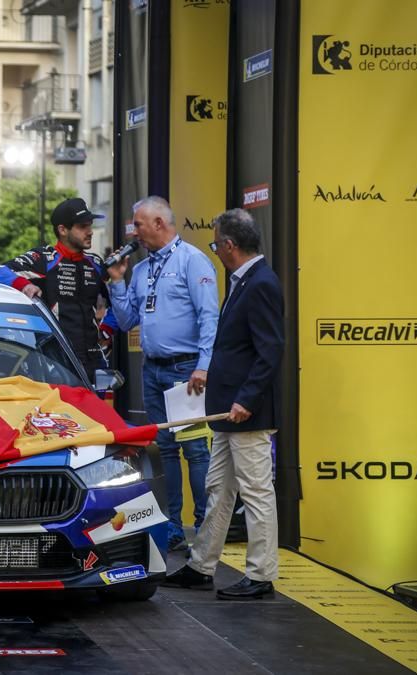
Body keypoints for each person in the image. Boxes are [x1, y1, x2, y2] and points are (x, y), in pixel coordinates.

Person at [164, 208, 283, 600]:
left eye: (216, 243)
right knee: (219, 489)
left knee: (256, 492)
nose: (215, 249)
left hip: (245, 413)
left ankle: (262, 574)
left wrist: (247, 400)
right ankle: (202, 565)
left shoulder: (260, 283)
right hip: (230, 412)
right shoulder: (244, 281)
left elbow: (271, 350)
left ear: (229, 245)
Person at [106, 195, 218, 550]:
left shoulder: (192, 261)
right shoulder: (140, 269)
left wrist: (204, 365)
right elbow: (125, 321)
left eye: (138, 224)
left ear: (158, 224)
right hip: (153, 370)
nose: (133, 231)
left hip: (186, 370)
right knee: (165, 450)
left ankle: (204, 529)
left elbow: (208, 318)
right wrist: (117, 282)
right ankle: (172, 530)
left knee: (195, 450)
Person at [0, 197, 118, 380]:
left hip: (94, 359)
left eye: (90, 225)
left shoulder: (95, 263)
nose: (90, 232)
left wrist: (107, 328)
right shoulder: (44, 258)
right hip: (56, 360)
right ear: (62, 230)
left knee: (95, 408)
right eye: (82, 226)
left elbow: (119, 301)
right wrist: (24, 285)